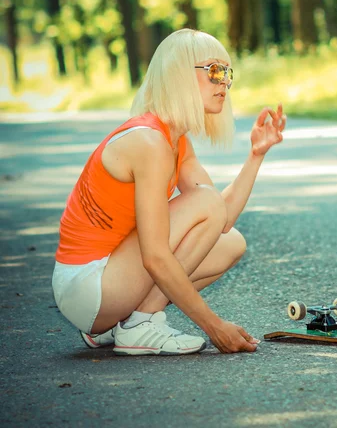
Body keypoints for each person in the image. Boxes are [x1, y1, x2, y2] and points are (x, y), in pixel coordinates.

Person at [52, 29, 286, 355]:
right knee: (204, 202)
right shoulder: (148, 141)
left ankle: (123, 324)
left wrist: (256, 155)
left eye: (228, 73)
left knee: (231, 242)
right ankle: (140, 325)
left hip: (108, 285)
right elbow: (155, 256)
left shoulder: (175, 140)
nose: (225, 84)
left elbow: (220, 218)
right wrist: (214, 326)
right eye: (214, 71)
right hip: (86, 287)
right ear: (178, 75)